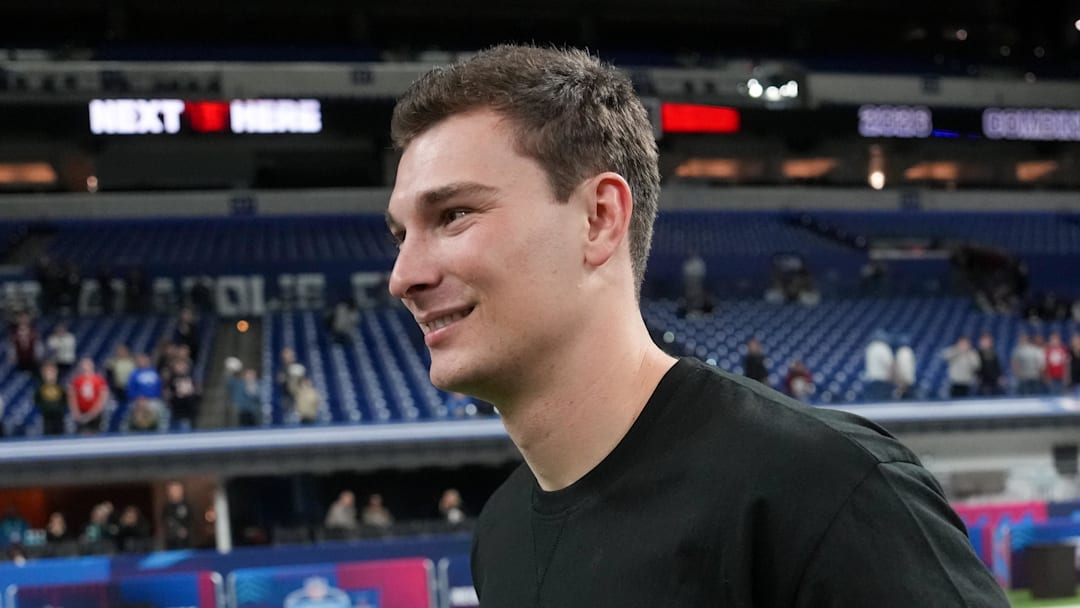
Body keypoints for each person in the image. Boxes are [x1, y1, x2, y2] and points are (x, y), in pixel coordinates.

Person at [385, 45, 1006, 606]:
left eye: (454, 214)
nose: (403, 276)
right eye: (400, 235)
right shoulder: (500, 534)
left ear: (599, 219)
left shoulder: (825, 492)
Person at [68, 358, 109, 434]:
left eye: (87, 366)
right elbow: (72, 398)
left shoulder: (99, 380)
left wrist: (92, 413)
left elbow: (102, 398)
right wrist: (76, 413)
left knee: (96, 433)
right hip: (81, 412)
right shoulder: (76, 381)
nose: (85, 368)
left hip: (95, 415)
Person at [35, 361, 68, 436]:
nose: (50, 375)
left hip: (59, 416)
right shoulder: (40, 387)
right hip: (46, 417)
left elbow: (65, 399)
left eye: (52, 372)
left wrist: (61, 409)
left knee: (61, 435)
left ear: (56, 373)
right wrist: (44, 409)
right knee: (48, 435)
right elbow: (37, 400)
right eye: (47, 372)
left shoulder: (61, 385)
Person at [863, 329, 895, 401]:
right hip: (882, 381)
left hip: (871, 381)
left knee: (874, 403)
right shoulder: (883, 347)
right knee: (883, 403)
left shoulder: (870, 347)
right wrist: (892, 377)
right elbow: (889, 365)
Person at [162, 481, 193, 550]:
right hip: (171, 542)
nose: (174, 492)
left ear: (181, 490)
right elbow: (165, 521)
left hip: (186, 543)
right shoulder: (167, 507)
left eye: (176, 489)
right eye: (172, 490)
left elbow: (192, 521)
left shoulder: (187, 505)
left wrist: (186, 530)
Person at [892, 335, 916, 400]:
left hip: (904, 382)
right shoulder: (909, 351)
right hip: (909, 381)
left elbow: (902, 368)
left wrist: (901, 382)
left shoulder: (901, 352)